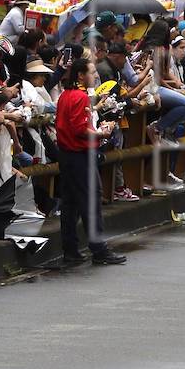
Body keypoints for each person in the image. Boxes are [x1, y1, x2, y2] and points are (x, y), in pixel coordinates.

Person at [55, 58, 126, 265]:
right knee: (91, 202)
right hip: (80, 156)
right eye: (92, 72)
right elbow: (80, 130)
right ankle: (99, 249)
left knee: (70, 204)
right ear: (80, 75)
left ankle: (71, 250)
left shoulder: (65, 95)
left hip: (67, 155)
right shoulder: (79, 97)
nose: (95, 76)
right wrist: (101, 134)